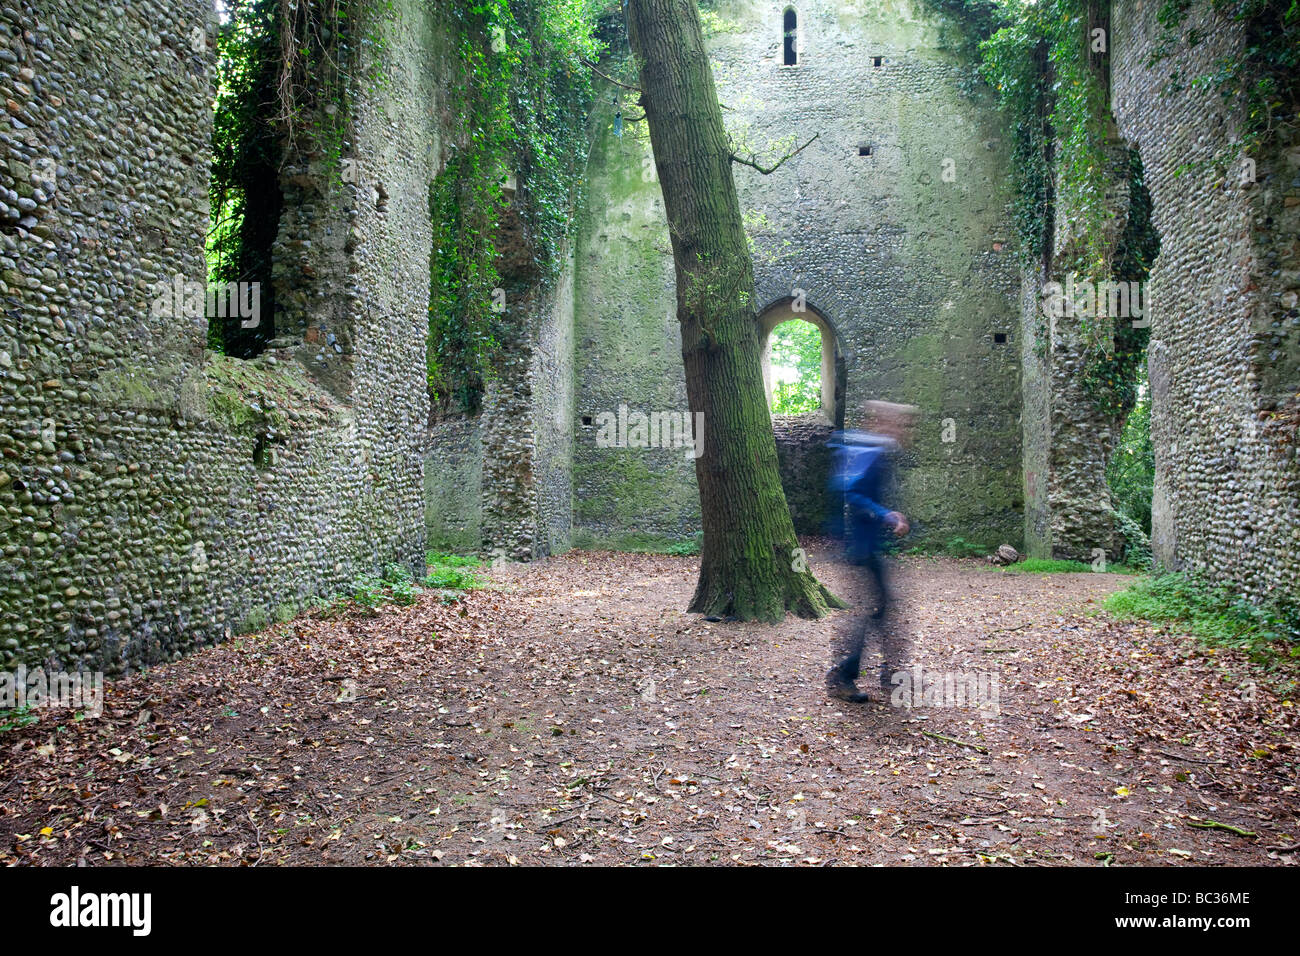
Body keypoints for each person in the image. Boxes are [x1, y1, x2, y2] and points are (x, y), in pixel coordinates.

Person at [824, 400, 917, 703]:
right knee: (868, 611)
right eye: (897, 423)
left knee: (883, 607)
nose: (902, 430)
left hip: (868, 545)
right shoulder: (866, 452)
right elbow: (853, 493)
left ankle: (888, 673)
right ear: (880, 421)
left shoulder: (877, 452)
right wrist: (887, 515)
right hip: (859, 546)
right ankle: (842, 676)